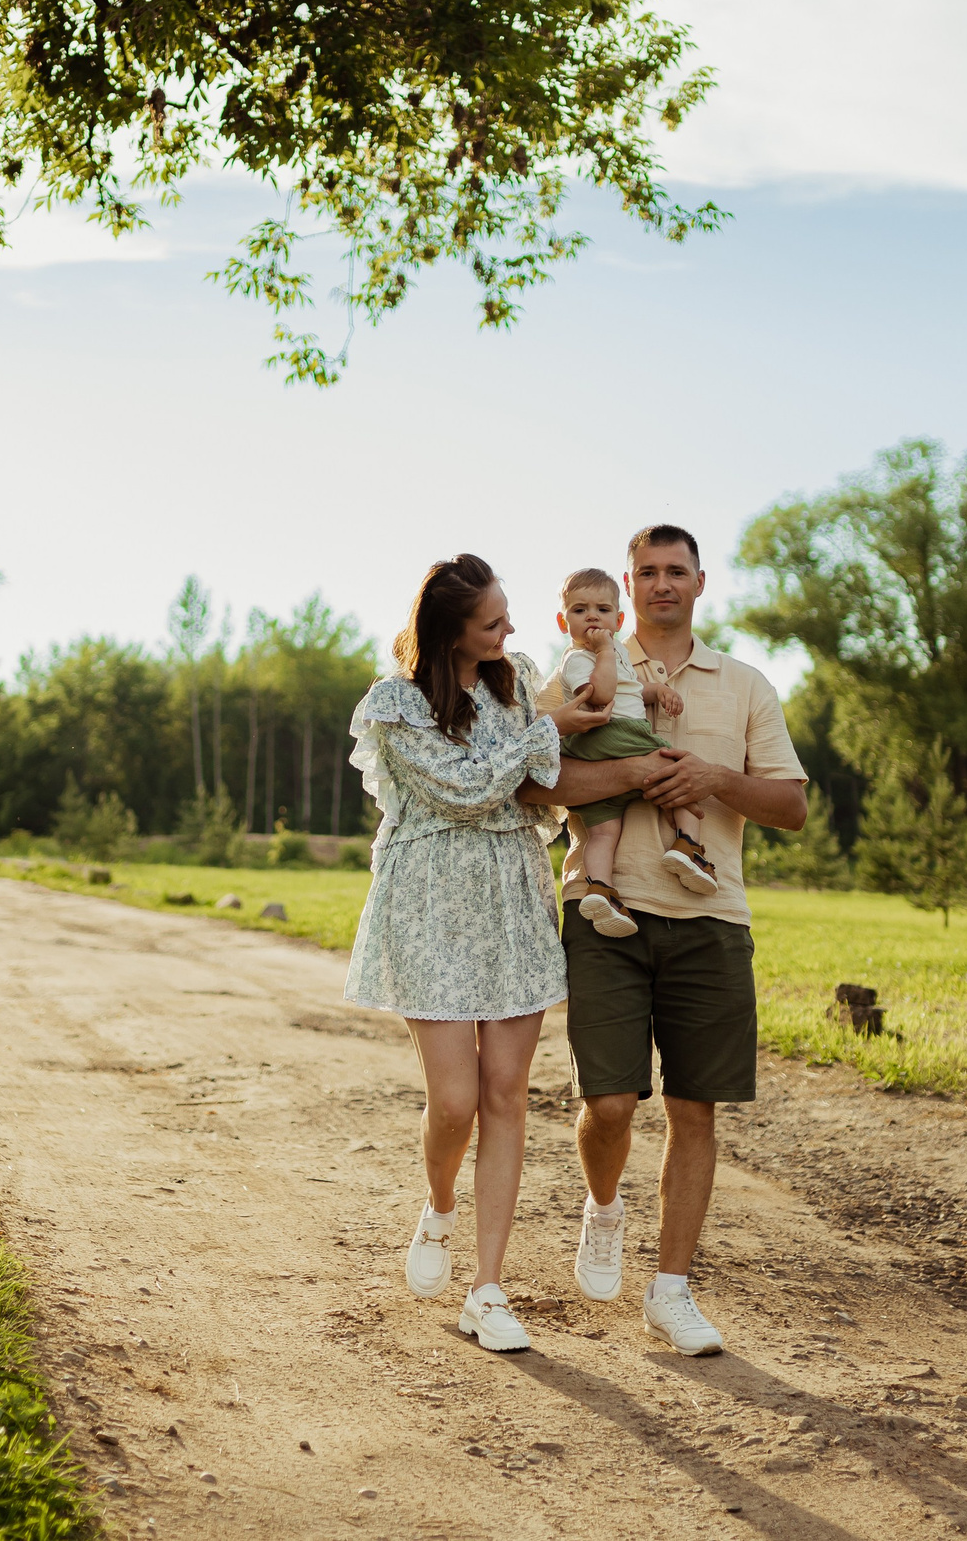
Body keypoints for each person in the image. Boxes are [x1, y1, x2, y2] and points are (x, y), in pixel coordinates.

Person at [522, 524, 809, 1356]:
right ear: (625, 582)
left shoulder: (745, 684)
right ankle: (604, 1210)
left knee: (695, 1107)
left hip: (713, 919)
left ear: (700, 582)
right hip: (604, 909)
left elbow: (790, 806)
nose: (659, 585)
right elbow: (541, 780)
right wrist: (640, 773)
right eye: (645, 572)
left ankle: (671, 1289)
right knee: (608, 1102)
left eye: (674, 571)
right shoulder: (583, 667)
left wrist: (713, 778)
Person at [345, 553, 611, 1353]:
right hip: (428, 903)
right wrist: (545, 731)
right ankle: (439, 1206)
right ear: (447, 632)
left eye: (508, 616)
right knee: (454, 1101)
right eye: (493, 622)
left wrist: (587, 693)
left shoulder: (519, 678)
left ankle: (487, 1286)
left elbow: (542, 776)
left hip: (511, 895)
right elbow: (463, 789)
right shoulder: (394, 704)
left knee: (506, 1094)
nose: (509, 631)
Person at [551, 567, 712, 940]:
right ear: (563, 621)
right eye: (579, 610)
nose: (592, 617)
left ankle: (601, 889)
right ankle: (688, 845)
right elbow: (603, 695)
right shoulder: (577, 658)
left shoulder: (616, 654)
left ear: (619, 619)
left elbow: (629, 690)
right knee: (681, 772)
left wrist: (655, 692)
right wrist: (606, 650)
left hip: (598, 754)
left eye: (603, 610)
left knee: (604, 832)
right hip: (611, 736)